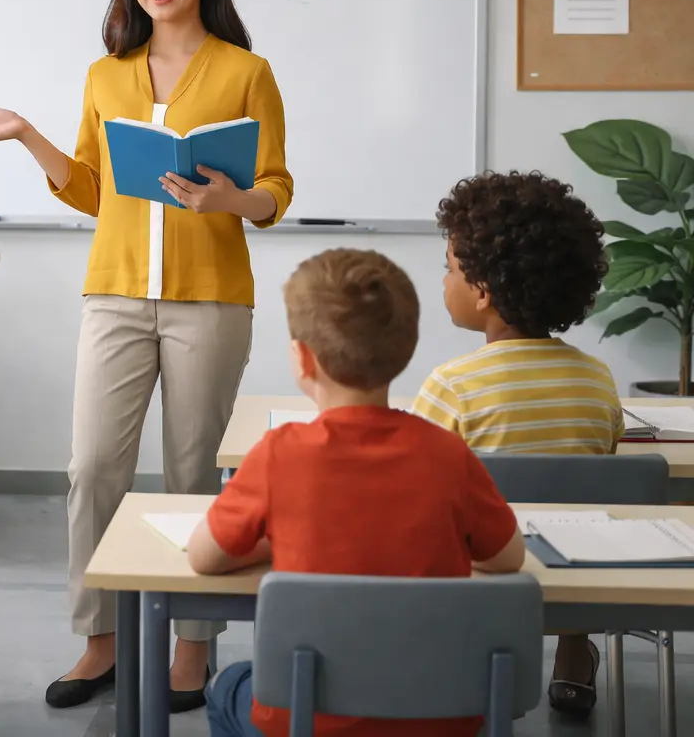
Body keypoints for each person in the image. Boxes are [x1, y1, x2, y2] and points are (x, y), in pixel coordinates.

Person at [0, 0, 293, 710]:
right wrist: (27, 136)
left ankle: (192, 647)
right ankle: (99, 640)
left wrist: (229, 199)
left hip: (210, 299)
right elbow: (94, 190)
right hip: (115, 293)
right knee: (93, 468)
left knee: (192, 471)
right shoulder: (106, 75)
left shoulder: (247, 72)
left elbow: (275, 189)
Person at [194, 248, 525, 737]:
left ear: (302, 359)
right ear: (405, 349)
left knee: (228, 686)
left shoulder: (278, 454)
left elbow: (204, 557)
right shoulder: (449, 454)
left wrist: (281, 537)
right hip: (438, 716)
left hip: (308, 718)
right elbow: (508, 558)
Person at [411, 170, 618, 716]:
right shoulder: (598, 380)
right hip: (584, 576)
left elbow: (418, 492)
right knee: (572, 509)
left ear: (482, 291)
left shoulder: (452, 386)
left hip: (484, 579)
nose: (443, 281)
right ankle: (574, 654)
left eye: (449, 268)